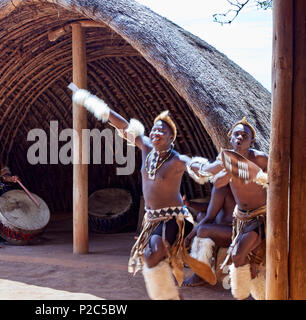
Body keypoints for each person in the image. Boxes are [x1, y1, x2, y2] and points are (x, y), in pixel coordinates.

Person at [71, 88, 213, 300]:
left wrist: (210, 168)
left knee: (155, 251)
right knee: (150, 258)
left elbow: (194, 165)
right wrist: (93, 103)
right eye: (154, 129)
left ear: (171, 136)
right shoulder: (146, 147)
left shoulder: (176, 160)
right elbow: (123, 125)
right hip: (152, 219)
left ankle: (172, 282)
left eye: (162, 131)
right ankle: (172, 296)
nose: (156, 133)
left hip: (173, 217)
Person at [189, 117, 269, 299]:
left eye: (245, 135)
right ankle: (242, 291)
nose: (240, 137)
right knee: (237, 254)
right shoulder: (223, 159)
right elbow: (212, 177)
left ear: (251, 141)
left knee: (239, 255)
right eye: (237, 134)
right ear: (230, 138)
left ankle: (251, 293)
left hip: (261, 218)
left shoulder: (260, 159)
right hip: (241, 220)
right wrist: (195, 165)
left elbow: (278, 179)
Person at [182, 185, 235, 287]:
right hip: (225, 227)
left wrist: (188, 238)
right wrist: (189, 204)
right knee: (200, 216)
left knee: (203, 230)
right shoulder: (223, 184)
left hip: (233, 231)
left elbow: (209, 218)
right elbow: (212, 206)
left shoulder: (222, 187)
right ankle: (205, 267)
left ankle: (201, 275)